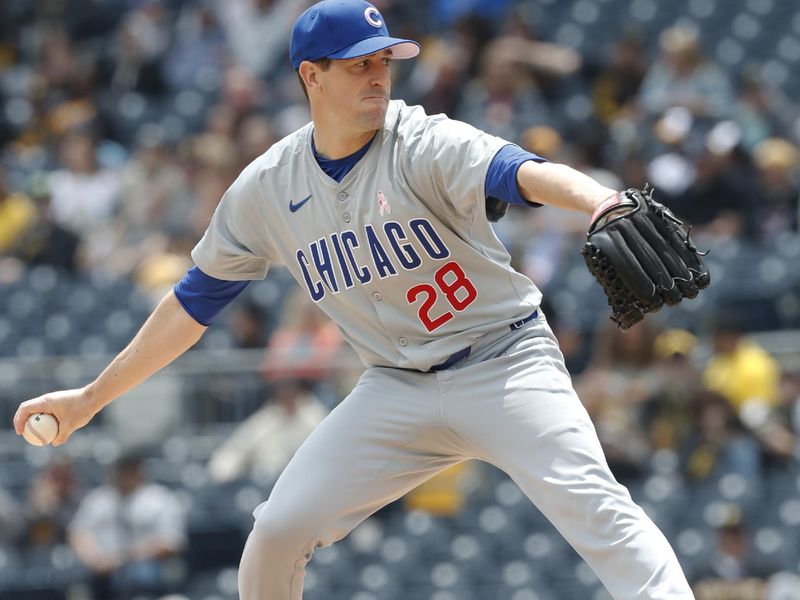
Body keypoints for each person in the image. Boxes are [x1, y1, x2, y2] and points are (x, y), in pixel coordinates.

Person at [14, 1, 694, 598]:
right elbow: (190, 306)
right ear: (312, 76)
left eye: (385, 62)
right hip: (394, 388)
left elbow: (523, 171)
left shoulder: (422, 140)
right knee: (276, 535)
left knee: (597, 510)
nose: (378, 75)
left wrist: (601, 200)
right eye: (357, 65)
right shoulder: (267, 189)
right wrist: (89, 399)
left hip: (506, 364)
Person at [67, 453, 186, 599]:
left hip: (143, 565)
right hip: (101, 568)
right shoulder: (99, 498)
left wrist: (122, 558)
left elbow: (171, 542)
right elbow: (78, 532)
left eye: (126, 470)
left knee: (142, 575)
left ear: (137, 470)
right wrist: (94, 559)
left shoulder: (159, 498)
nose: (121, 475)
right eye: (118, 469)